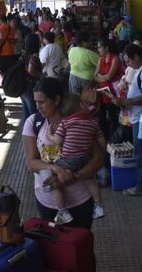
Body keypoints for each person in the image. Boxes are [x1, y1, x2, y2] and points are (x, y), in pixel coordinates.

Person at [22, 78, 103, 229]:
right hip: (46, 200)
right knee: (54, 248)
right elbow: (31, 162)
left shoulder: (77, 121)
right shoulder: (33, 122)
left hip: (80, 200)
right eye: (36, 101)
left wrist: (74, 176)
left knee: (80, 245)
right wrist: (56, 169)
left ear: (57, 100)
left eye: (43, 102)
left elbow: (98, 159)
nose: (37, 106)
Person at [46, 93, 106, 224]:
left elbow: (57, 140)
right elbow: (101, 140)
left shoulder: (66, 123)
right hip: (85, 159)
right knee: (91, 180)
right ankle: (99, 206)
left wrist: (49, 134)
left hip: (68, 160)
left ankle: (62, 211)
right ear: (80, 105)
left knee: (55, 179)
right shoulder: (93, 123)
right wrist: (102, 149)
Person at [113, 44, 142, 196]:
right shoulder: (140, 70)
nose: (127, 64)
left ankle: (141, 185)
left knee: (141, 151)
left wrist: (126, 102)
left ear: (137, 57)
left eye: (129, 60)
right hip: (138, 116)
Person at [94, 38, 122, 140]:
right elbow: (95, 75)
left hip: (112, 93)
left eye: (100, 47)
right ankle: (106, 138)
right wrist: (103, 77)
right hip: (102, 92)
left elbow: (109, 77)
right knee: (102, 117)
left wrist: (101, 76)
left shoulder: (115, 59)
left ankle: (115, 139)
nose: (98, 50)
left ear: (106, 48)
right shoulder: (101, 59)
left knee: (113, 116)